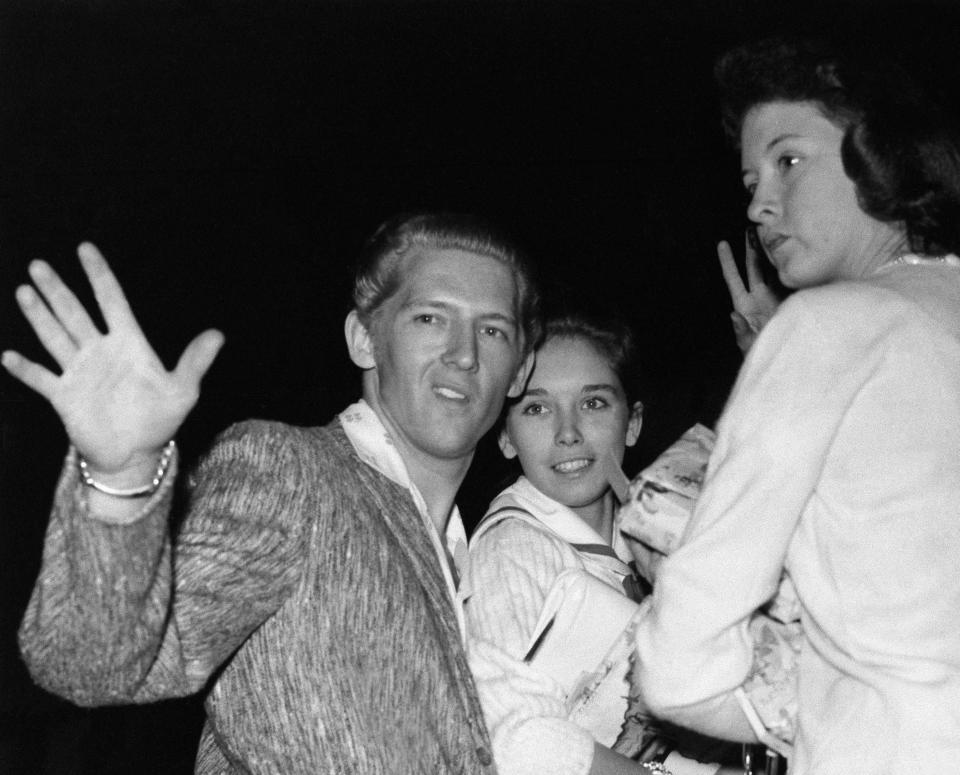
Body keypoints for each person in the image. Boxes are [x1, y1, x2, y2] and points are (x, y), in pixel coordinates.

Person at [5, 212, 539, 773]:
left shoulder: (479, 564)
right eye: (430, 318)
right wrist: (121, 480)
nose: (463, 353)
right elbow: (93, 664)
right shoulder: (294, 477)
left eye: (492, 330)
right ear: (364, 340)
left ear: (520, 371)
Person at [631, 36, 960, 774]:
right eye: (749, 179)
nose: (757, 202)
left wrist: (802, 711)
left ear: (882, 151)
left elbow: (680, 662)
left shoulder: (822, 328)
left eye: (789, 160)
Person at [462, 311, 738, 775]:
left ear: (632, 424)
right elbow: (515, 746)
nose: (567, 432)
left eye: (593, 404)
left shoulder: (653, 537)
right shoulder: (513, 549)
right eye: (536, 408)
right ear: (505, 437)